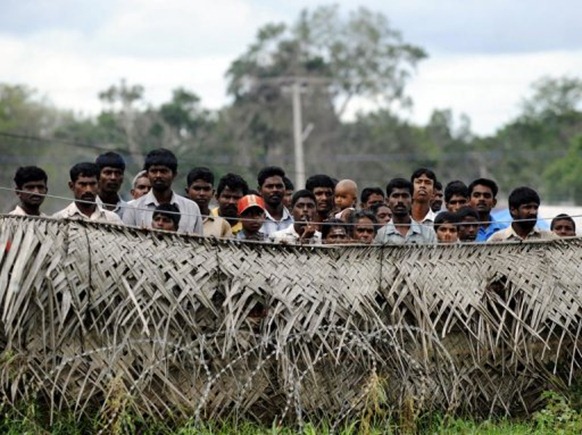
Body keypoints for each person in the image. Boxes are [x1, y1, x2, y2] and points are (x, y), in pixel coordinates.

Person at [123, 148, 202, 234]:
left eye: (163, 171)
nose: (158, 175)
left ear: (174, 175)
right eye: (154, 171)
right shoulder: (133, 209)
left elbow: (200, 244)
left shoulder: (191, 208)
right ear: (147, 174)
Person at [53, 162, 122, 224]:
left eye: (92, 184)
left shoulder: (113, 220)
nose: (88, 190)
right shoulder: (59, 219)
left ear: (99, 185)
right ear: (71, 186)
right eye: (83, 184)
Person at [375, 178, 436, 245]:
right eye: (395, 196)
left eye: (405, 196)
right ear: (387, 201)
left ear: (412, 201)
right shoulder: (380, 236)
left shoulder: (428, 234)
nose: (400, 201)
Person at [487, 186, 557, 242]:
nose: (533, 212)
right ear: (513, 210)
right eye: (527, 207)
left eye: (535, 207)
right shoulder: (497, 240)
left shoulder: (551, 238)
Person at [186, 167, 232, 238]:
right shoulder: (178, 218)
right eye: (197, 188)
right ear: (187, 191)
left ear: (213, 193)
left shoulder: (222, 225)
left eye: (206, 189)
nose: (202, 193)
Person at [258, 166, 293, 236]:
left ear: (285, 189)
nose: (275, 190)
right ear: (260, 190)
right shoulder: (253, 222)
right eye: (270, 186)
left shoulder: (294, 221)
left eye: (279, 186)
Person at [95, 152, 128, 218]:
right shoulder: (87, 207)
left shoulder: (129, 210)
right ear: (97, 176)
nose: (113, 177)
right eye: (108, 173)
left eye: (118, 173)